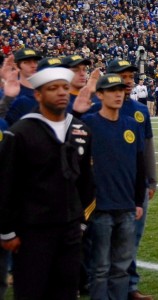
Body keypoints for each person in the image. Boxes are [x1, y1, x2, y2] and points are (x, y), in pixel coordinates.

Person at [0, 66, 94, 299]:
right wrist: (7, 231)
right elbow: (6, 184)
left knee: (65, 291)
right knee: (32, 291)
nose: (61, 92)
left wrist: (81, 222)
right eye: (53, 88)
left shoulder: (80, 129)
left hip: (70, 229)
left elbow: (86, 181)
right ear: (38, 95)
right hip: (33, 231)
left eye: (64, 87)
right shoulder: (20, 132)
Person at [81, 74, 146, 300]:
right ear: (100, 95)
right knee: (100, 268)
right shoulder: (88, 123)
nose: (118, 94)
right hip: (100, 207)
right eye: (112, 90)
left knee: (121, 267)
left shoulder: (132, 124)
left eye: (121, 89)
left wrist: (138, 202)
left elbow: (140, 164)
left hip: (127, 207)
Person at [103, 60, 156, 300]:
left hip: (136, 186)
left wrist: (151, 181)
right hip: (109, 185)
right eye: (122, 76)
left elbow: (147, 148)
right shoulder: (98, 108)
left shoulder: (140, 110)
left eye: (130, 76)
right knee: (105, 239)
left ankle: (130, 286)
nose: (127, 80)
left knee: (133, 237)